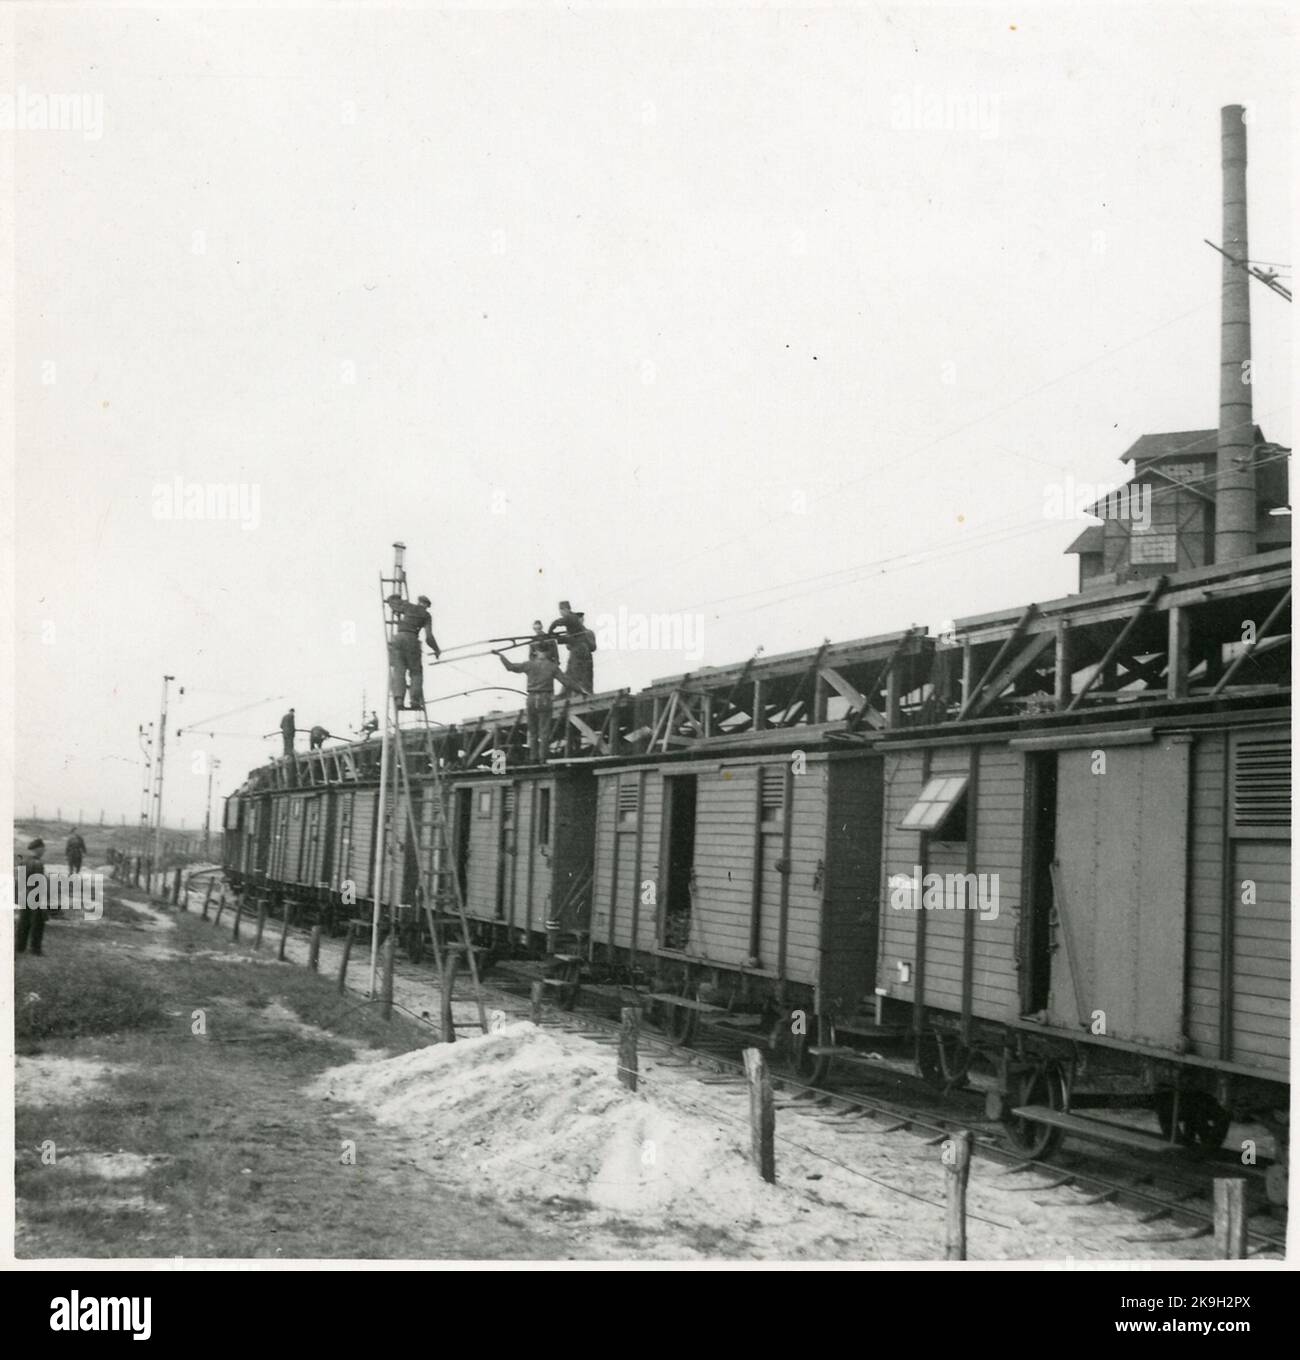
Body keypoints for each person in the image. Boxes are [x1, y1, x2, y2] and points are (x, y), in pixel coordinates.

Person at [498, 651, 586, 763]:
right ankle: (543, 758)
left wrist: (501, 656)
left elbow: (510, 667)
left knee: (533, 731)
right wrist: (581, 690)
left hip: (531, 699)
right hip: (545, 699)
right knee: (544, 731)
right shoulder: (552, 666)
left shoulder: (529, 664)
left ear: (538, 652)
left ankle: (533, 758)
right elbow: (566, 681)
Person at [387, 593, 441, 710]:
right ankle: (414, 701)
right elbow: (429, 637)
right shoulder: (426, 615)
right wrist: (436, 650)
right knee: (416, 673)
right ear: (426, 605)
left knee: (398, 671)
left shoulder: (408, 606)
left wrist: (396, 597)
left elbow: (392, 603)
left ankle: (399, 700)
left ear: (418, 602)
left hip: (397, 639)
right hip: (412, 641)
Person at [549, 601, 596, 696]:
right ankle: (566, 692)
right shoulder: (574, 624)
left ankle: (578, 692)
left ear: (565, 609)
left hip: (579, 650)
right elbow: (569, 640)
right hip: (578, 650)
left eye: (561, 611)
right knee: (571, 672)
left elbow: (560, 622)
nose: (561, 614)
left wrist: (552, 628)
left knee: (575, 672)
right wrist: (557, 639)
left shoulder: (571, 617)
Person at [15, 838, 49, 956]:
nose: (44, 851)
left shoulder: (23, 861)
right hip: (35, 894)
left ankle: (19, 946)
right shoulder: (38, 863)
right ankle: (35, 949)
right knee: (38, 922)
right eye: (43, 849)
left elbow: (18, 881)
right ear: (38, 849)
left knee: (23, 921)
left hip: (24, 894)